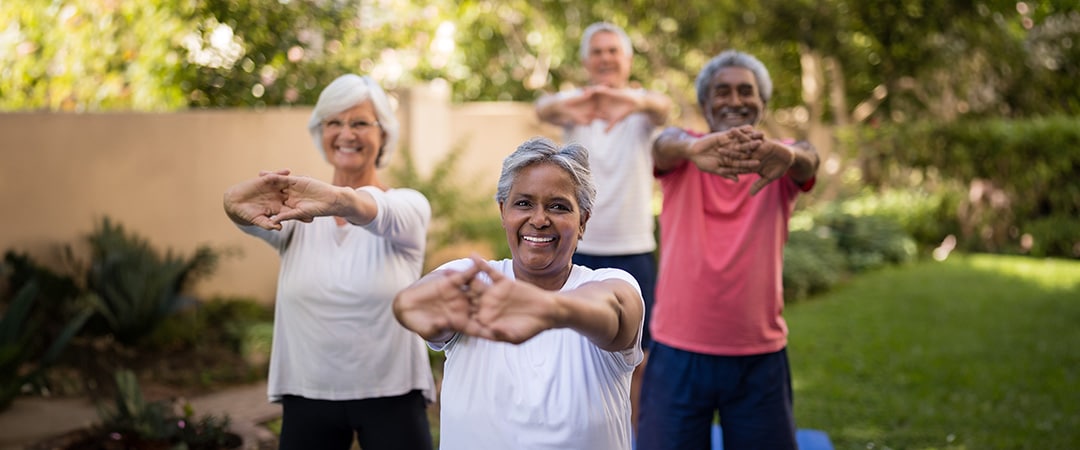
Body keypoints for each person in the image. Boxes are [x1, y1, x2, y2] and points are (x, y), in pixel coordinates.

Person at [222, 74, 436, 450]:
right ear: (320, 132)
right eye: (333, 122)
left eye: (359, 123)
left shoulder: (407, 206)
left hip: (392, 393)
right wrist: (231, 203)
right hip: (308, 394)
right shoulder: (298, 216)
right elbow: (245, 210)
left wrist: (339, 200)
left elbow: (378, 211)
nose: (346, 133)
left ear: (383, 134)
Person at [392, 137, 645, 450]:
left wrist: (548, 310)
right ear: (503, 211)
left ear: (583, 221)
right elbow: (416, 303)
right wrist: (411, 306)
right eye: (523, 203)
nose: (539, 220)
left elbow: (612, 310)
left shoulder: (612, 283)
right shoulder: (469, 279)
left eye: (558, 206)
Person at [636, 50, 821, 450]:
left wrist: (789, 156)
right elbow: (662, 143)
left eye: (745, 91)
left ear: (762, 103)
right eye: (722, 92)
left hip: (758, 355)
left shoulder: (780, 159)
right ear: (705, 104)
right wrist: (690, 147)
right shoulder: (685, 154)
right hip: (677, 352)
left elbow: (809, 157)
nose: (734, 101)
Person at [534, 21, 671, 431]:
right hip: (577, 249)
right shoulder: (575, 104)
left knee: (637, 356)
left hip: (633, 247)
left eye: (614, 51)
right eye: (598, 52)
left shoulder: (642, 108)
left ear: (627, 60)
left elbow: (664, 108)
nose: (606, 59)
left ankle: (630, 436)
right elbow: (542, 108)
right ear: (585, 61)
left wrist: (626, 101)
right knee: (570, 350)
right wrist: (583, 102)